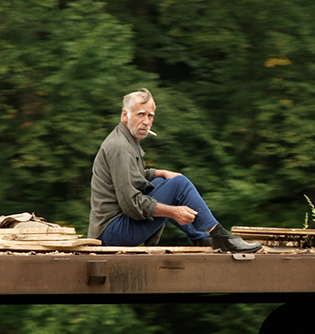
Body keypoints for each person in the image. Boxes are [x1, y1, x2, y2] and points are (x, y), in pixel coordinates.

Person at [88, 88, 261, 253]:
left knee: (165, 182)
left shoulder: (127, 141)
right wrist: (173, 212)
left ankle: (201, 237)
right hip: (111, 233)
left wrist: (160, 172)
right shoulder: (120, 147)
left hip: (114, 229)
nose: (146, 122)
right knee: (179, 185)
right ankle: (219, 235)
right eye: (141, 114)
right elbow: (131, 205)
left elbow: (135, 176)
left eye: (150, 116)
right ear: (125, 116)